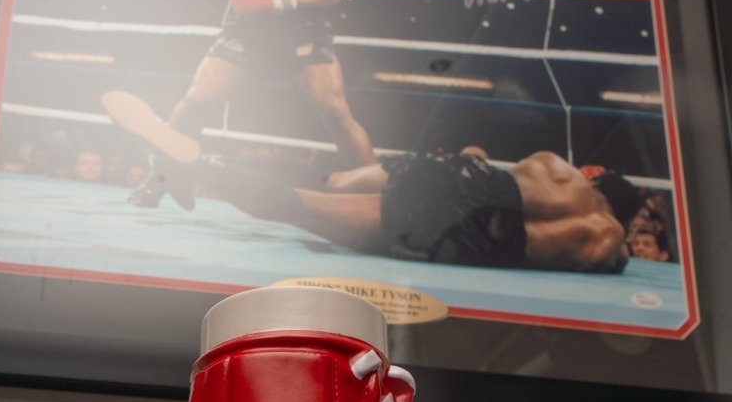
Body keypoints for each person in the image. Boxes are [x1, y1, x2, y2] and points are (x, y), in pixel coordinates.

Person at [133, 0, 374, 206]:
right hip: (249, 28)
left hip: (300, 29)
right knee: (196, 101)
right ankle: (159, 180)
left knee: (334, 111)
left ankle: (375, 192)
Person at [192, 147, 641, 274]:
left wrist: (469, 158)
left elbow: (483, 167)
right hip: (475, 241)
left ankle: (209, 162)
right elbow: (621, 259)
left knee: (328, 183)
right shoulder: (608, 244)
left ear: (594, 179)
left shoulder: (557, 167)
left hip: (461, 182)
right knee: (302, 210)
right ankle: (208, 168)